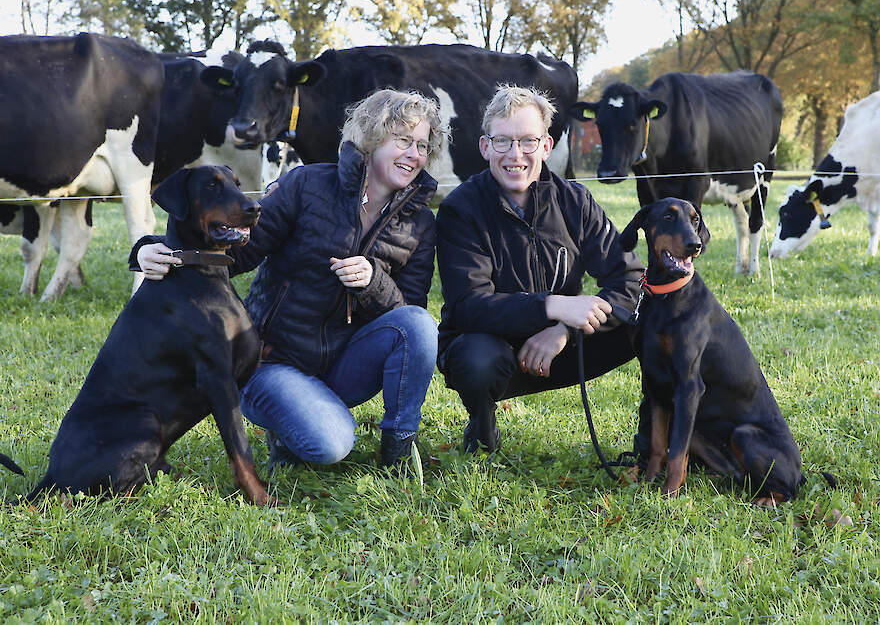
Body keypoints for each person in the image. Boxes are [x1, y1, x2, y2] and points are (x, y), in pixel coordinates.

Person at [134, 89, 448, 471]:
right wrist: (153, 249)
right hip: (272, 361)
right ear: (372, 137)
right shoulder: (308, 185)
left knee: (418, 324)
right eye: (402, 140)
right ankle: (286, 422)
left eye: (421, 145)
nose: (414, 154)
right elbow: (237, 252)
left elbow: (408, 310)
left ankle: (398, 447)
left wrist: (374, 281)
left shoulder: (420, 222)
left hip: (345, 362)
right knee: (331, 445)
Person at [436, 85, 646, 454]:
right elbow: (468, 305)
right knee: (476, 358)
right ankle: (482, 427)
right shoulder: (460, 209)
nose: (515, 155)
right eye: (502, 142)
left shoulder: (575, 201)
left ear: (546, 146)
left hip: (563, 347)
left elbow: (630, 279)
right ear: (485, 147)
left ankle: (656, 434)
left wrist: (564, 328)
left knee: (651, 320)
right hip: (491, 348)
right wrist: (552, 306)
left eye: (528, 141)